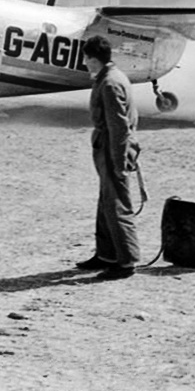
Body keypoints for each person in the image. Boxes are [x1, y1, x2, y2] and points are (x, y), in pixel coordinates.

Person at [76, 34, 142, 280]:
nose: (84, 63)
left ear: (93, 59)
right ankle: (106, 255)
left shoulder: (110, 83)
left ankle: (125, 262)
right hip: (108, 146)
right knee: (107, 200)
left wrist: (118, 162)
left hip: (112, 148)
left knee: (117, 204)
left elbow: (119, 127)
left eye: (86, 58)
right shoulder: (110, 77)